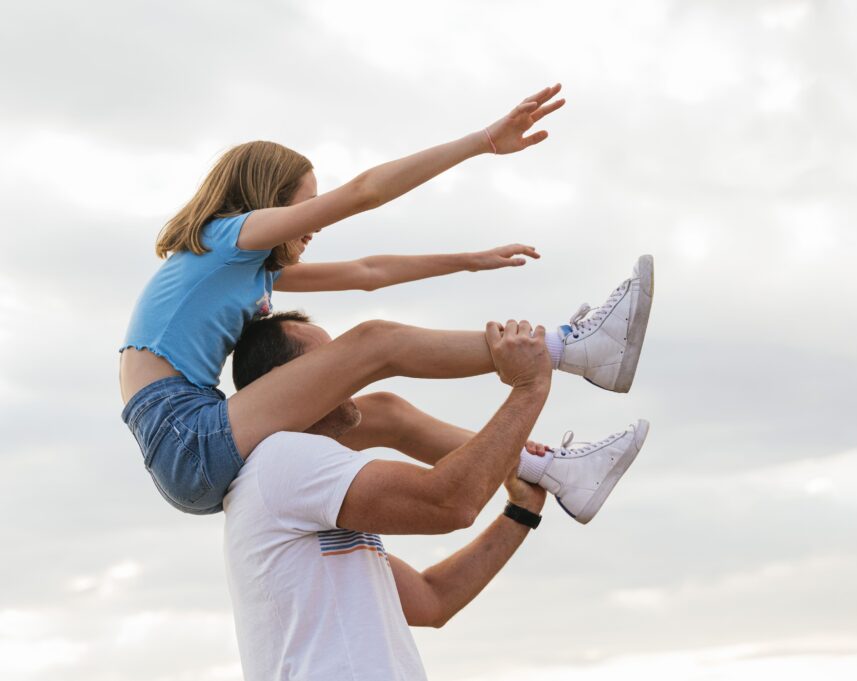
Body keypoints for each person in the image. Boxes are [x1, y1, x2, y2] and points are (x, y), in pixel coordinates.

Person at [119, 82, 656, 515]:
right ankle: (572, 349)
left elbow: (366, 272)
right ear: (269, 204)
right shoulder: (227, 237)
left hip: (192, 447)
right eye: (306, 208)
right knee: (376, 341)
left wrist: (468, 259)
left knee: (384, 413)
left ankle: (553, 472)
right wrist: (484, 141)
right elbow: (363, 193)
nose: (314, 226)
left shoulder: (247, 271)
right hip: (185, 435)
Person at [223, 316, 649, 680]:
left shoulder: (290, 480)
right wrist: (529, 386)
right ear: (287, 383)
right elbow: (448, 503)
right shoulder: (282, 458)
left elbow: (432, 599)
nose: (348, 372)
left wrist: (520, 513)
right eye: (330, 361)